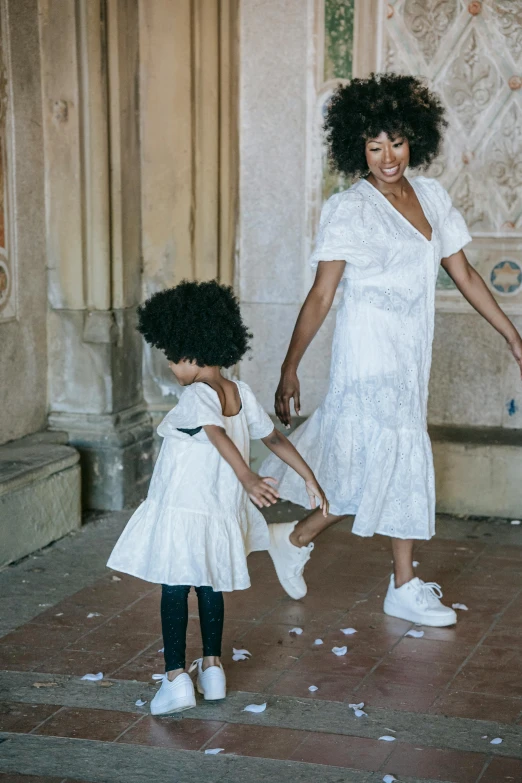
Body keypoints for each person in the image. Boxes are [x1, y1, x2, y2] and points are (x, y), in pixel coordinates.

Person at [261, 73, 522, 627]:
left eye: (397, 142)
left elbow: (467, 275)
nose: (387, 157)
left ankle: (298, 535)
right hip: (368, 353)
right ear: (357, 145)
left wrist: (511, 333)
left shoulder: (431, 195)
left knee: (372, 458)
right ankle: (403, 586)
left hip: (410, 353)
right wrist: (290, 369)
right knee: (392, 451)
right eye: (374, 145)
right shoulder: (349, 208)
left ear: (414, 140)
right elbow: (322, 294)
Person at [107, 280, 328, 715]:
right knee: (209, 585)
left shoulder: (195, 396)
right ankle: (212, 670)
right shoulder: (239, 392)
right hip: (216, 512)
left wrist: (247, 476)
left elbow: (214, 433)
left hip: (185, 509)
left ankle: (175, 680)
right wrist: (309, 477)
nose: (171, 365)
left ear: (191, 351)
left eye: (172, 356)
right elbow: (275, 439)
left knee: (174, 587)